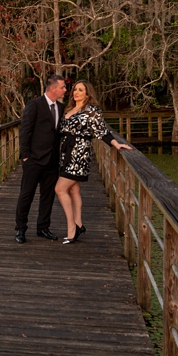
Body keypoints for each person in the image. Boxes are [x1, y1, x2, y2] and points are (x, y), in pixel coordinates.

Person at [55, 80, 132, 244]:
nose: (76, 92)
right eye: (75, 89)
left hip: (79, 154)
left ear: (87, 94)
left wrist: (116, 143)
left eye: (80, 90)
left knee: (60, 189)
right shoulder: (68, 109)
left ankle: (71, 228)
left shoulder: (91, 111)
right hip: (65, 153)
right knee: (74, 190)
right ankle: (79, 224)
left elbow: (102, 131)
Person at [14, 74, 68, 243]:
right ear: (53, 89)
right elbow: (25, 131)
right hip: (33, 160)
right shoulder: (34, 105)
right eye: (63, 87)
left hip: (52, 161)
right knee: (26, 195)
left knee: (48, 196)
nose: (65, 90)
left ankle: (43, 228)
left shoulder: (61, 107)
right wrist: (25, 156)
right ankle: (20, 229)